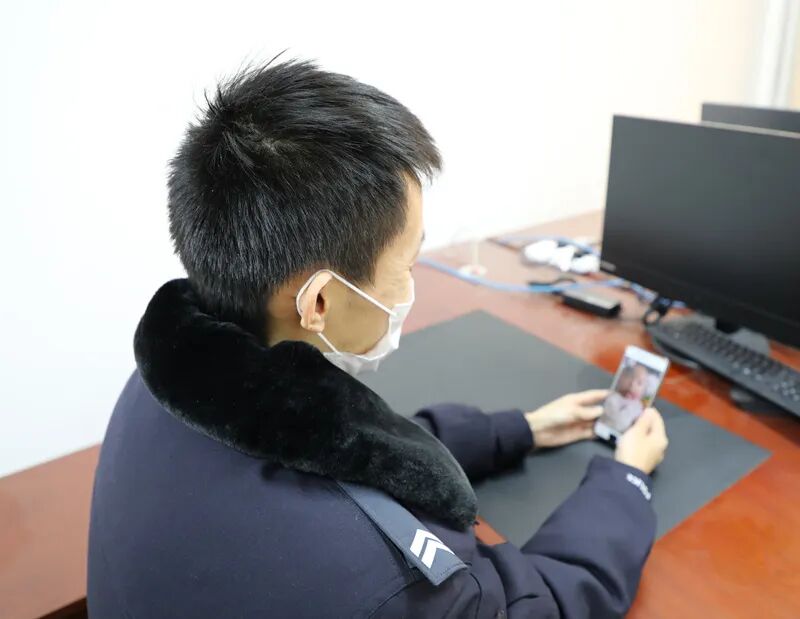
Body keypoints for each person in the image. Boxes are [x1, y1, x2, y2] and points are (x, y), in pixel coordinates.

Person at [87, 59, 669, 618]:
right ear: (319, 303)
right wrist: (626, 481)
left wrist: (521, 429)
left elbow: (350, 442)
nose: (411, 286)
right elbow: (542, 605)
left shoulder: (164, 383)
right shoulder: (385, 585)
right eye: (408, 265)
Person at [603, 364, 650, 432]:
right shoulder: (613, 397)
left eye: (639, 383)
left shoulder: (639, 406)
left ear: (644, 391)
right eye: (629, 378)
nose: (632, 385)